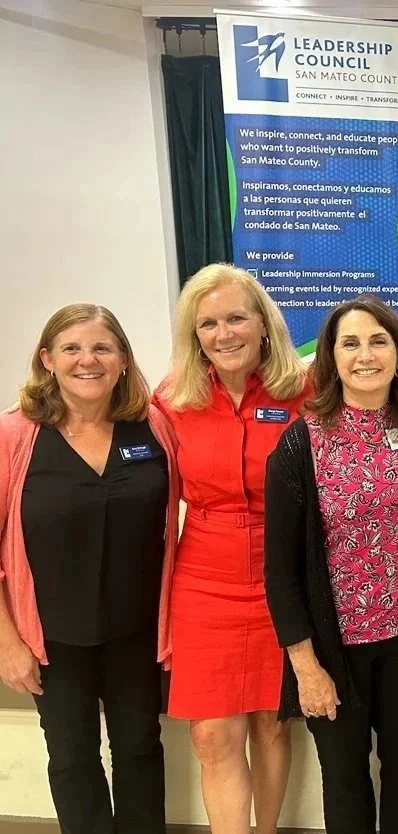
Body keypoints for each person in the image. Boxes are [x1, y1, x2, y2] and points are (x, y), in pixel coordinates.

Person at [264, 297, 398, 834]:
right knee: (345, 781)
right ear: (330, 358)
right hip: (333, 648)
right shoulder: (302, 443)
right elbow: (280, 572)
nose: (365, 355)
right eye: (350, 343)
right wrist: (305, 667)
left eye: (379, 341)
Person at [0, 304, 180, 834]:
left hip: (137, 631)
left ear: (123, 359)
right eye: (72, 348)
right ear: (47, 359)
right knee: (73, 758)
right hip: (52, 640)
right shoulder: (16, 436)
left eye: (102, 348)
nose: (88, 360)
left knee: (141, 751)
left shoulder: (153, 427)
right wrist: (7, 641)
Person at [155, 264, 310, 834]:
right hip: (204, 577)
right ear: (194, 336)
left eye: (236, 318)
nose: (224, 334)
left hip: (283, 576)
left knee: (272, 724)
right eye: (209, 324)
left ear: (264, 324)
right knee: (211, 733)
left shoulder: (306, 391)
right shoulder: (171, 400)